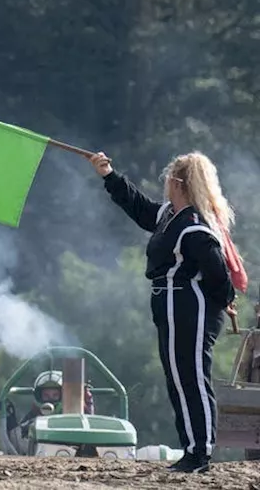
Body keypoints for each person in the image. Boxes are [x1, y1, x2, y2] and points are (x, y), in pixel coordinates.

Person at [90, 150, 246, 473]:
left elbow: (218, 275)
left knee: (192, 377)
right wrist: (110, 176)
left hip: (189, 306)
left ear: (180, 182)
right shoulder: (169, 216)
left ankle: (200, 452)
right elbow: (141, 209)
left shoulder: (195, 227)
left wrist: (225, 299)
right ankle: (191, 446)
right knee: (177, 378)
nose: (165, 186)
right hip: (170, 305)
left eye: (169, 179)